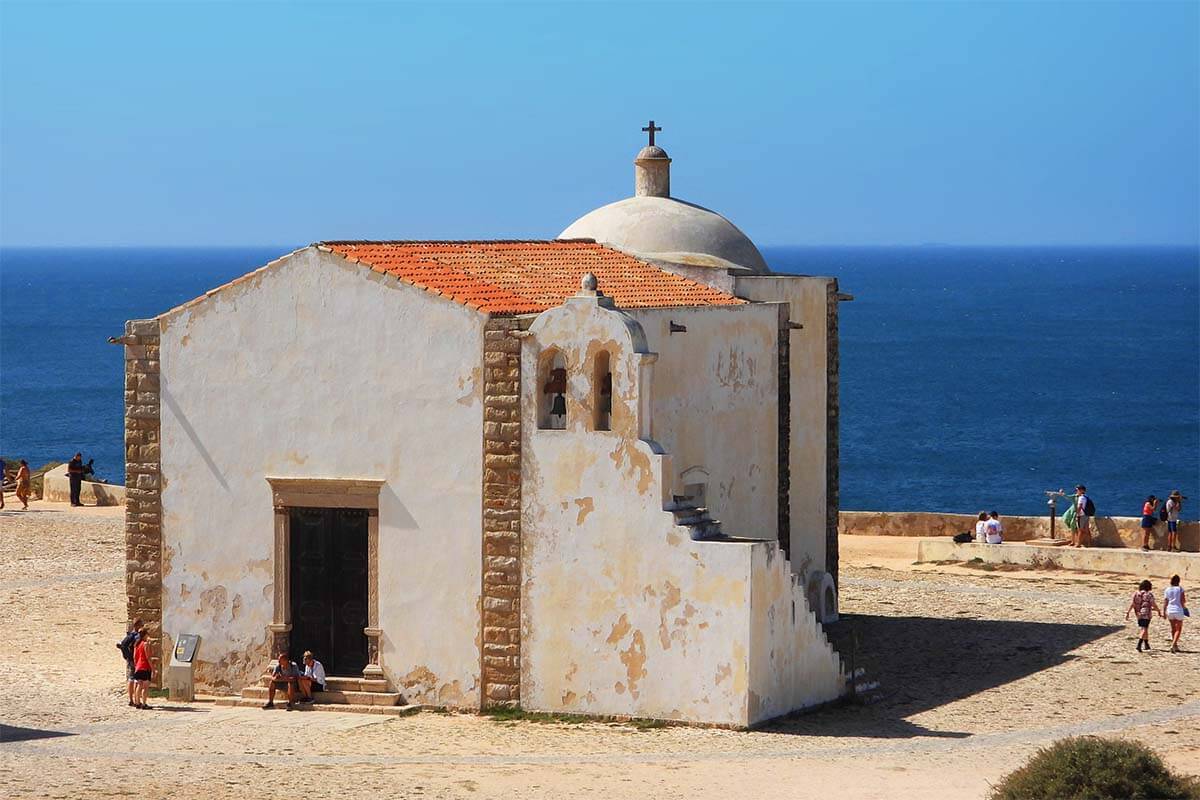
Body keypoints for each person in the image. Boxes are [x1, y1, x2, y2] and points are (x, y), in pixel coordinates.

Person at [1125, 580, 1162, 652]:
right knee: (1144, 629)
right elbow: (1153, 604)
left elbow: (1133, 604)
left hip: (1138, 613)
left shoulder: (1136, 594)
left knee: (1144, 628)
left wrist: (1128, 612)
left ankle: (1146, 644)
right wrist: (1158, 611)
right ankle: (1139, 644)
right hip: (1146, 613)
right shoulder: (1149, 594)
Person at [116, 618, 145, 707]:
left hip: (131, 659)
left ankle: (131, 700)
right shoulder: (135, 636)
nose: (142, 626)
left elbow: (122, 645)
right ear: (137, 625)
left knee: (131, 679)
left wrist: (127, 657)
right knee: (136, 680)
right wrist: (130, 657)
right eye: (141, 624)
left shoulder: (131, 635)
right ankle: (136, 700)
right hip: (135, 660)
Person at [1163, 574, 1188, 653]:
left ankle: (1175, 645)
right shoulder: (1180, 589)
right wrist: (1185, 608)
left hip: (1170, 610)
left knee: (1173, 629)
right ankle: (1173, 644)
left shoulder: (1167, 589)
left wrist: (1164, 611)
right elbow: (1182, 600)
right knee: (1178, 629)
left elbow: (1165, 601)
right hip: (1178, 609)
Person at [131, 629, 153, 709]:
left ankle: (137, 702)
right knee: (145, 686)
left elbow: (134, 657)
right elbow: (148, 657)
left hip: (138, 667)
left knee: (139, 685)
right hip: (145, 667)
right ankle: (144, 704)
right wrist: (153, 668)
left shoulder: (137, 644)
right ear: (145, 635)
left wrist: (136, 665)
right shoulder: (145, 644)